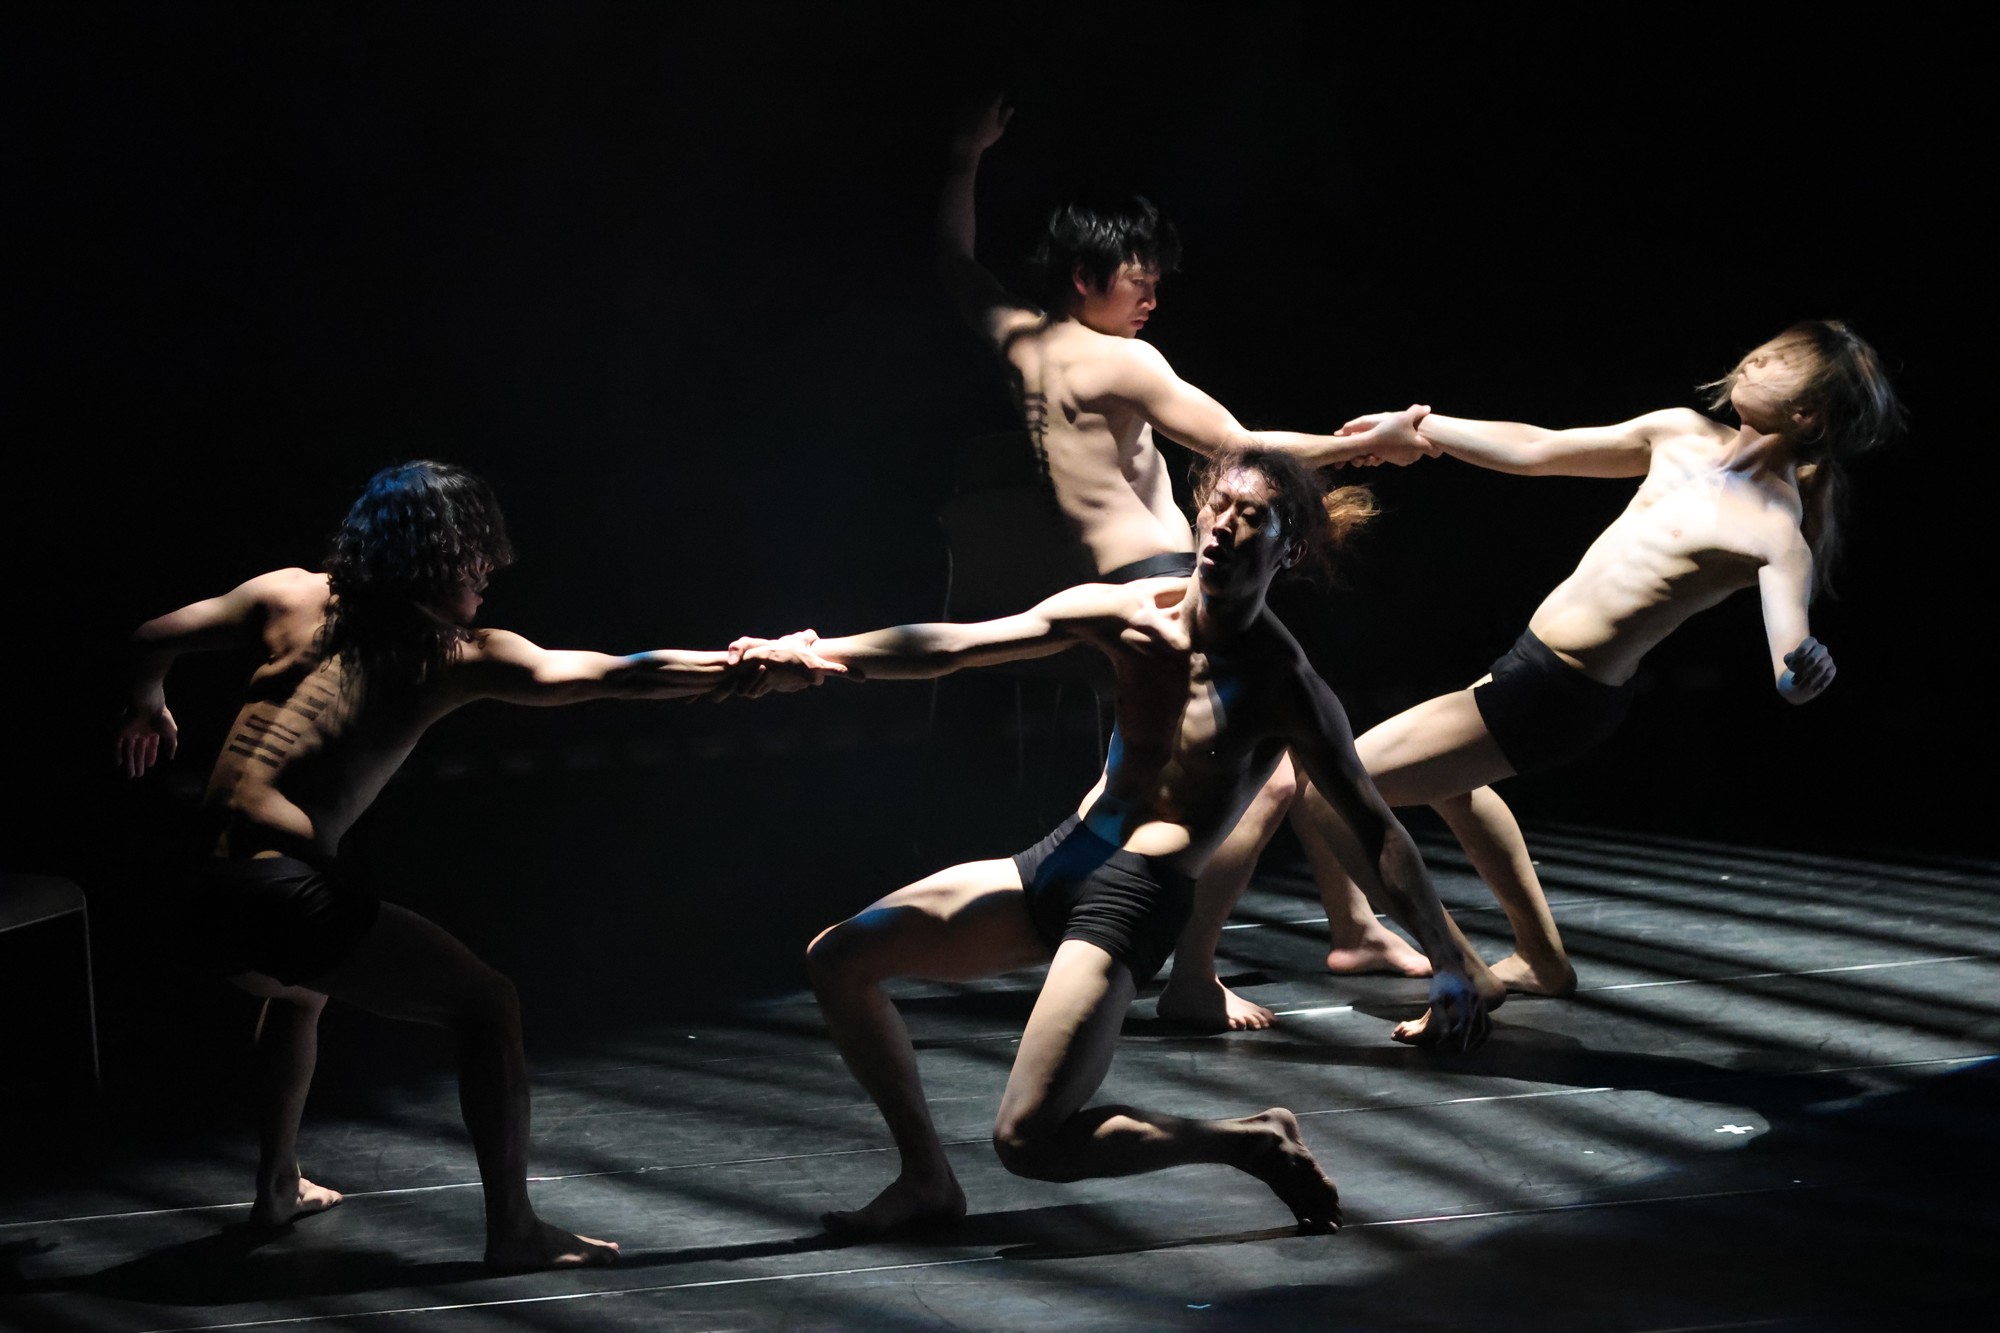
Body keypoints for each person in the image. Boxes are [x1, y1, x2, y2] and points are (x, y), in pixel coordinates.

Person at [743, 449, 1491, 1242]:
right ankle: (927, 1179)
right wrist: (819, 655)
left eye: (1252, 517)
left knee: (1028, 1141)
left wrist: (1448, 958)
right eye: (1220, 505)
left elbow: (1376, 828)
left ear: (1289, 548)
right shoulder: (1129, 615)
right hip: (1065, 853)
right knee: (839, 958)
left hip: (1132, 897)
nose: (1224, 527)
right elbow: (960, 644)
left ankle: (1249, 1139)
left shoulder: (1285, 684)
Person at [115, 460, 836, 1271]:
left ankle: (277, 1185)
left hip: (200, 884)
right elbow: (612, 675)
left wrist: (147, 702)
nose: (489, 572)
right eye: (475, 556)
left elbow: (150, 638)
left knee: (299, 987)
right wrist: (746, 667)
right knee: (487, 1004)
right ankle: (514, 1230)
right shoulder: (445, 652)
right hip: (276, 892)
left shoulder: (285, 592)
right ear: (436, 556)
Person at [1164, 320, 1904, 1041]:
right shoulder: (1678, 433)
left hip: (1560, 696)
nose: (1753, 361)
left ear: (1808, 415)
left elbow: (1789, 650)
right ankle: (1541, 960)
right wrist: (1422, 426)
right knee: (1453, 784)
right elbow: (1536, 449)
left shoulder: (1775, 528)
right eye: (1763, 351)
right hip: (1531, 666)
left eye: (1777, 363)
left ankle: (1460, 968)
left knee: (1331, 795)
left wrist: (1802, 669)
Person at [940, 95, 1436, 1029]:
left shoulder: (1019, 338)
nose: (1154, 298)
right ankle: (1191, 973)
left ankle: (1350, 927)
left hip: (1101, 591)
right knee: (1272, 771)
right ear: (1085, 277)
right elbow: (1239, 447)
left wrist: (965, 153)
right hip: (1170, 582)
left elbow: (954, 261)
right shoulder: (1127, 363)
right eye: (1140, 281)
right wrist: (1371, 444)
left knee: (1217, 768)